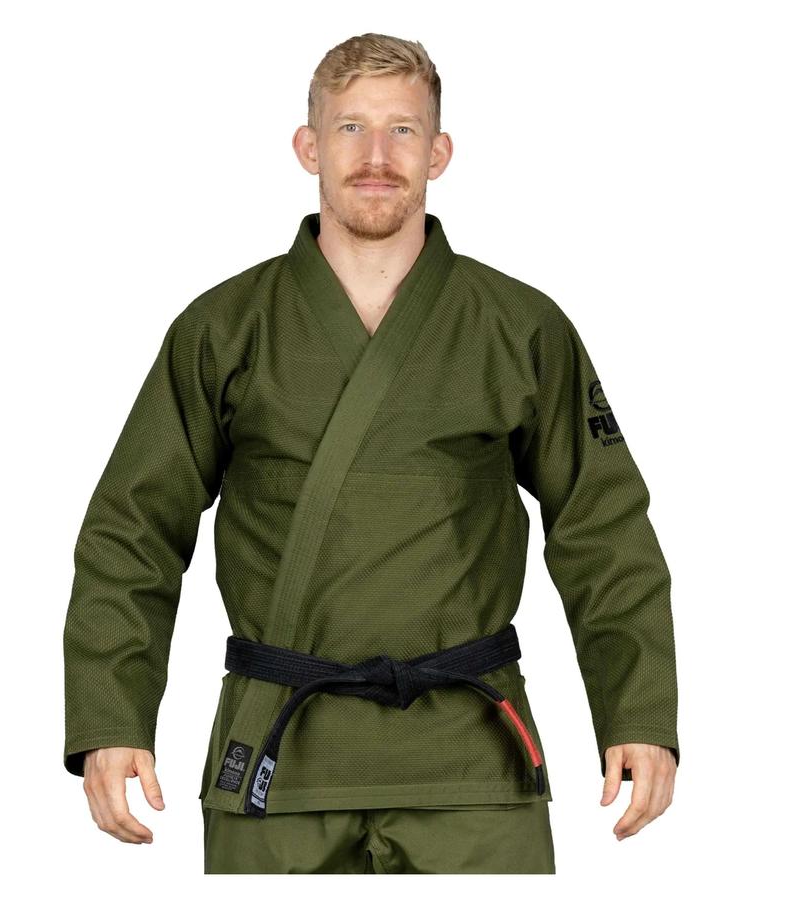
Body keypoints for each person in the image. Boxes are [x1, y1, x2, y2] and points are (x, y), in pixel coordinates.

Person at [62, 33, 680, 875]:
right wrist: (112, 717)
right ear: (308, 146)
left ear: (440, 152)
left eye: (403, 130)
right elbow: (132, 528)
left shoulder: (521, 327)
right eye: (351, 128)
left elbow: (603, 525)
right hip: (280, 756)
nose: (377, 156)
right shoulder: (224, 328)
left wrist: (637, 711)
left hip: (474, 762)